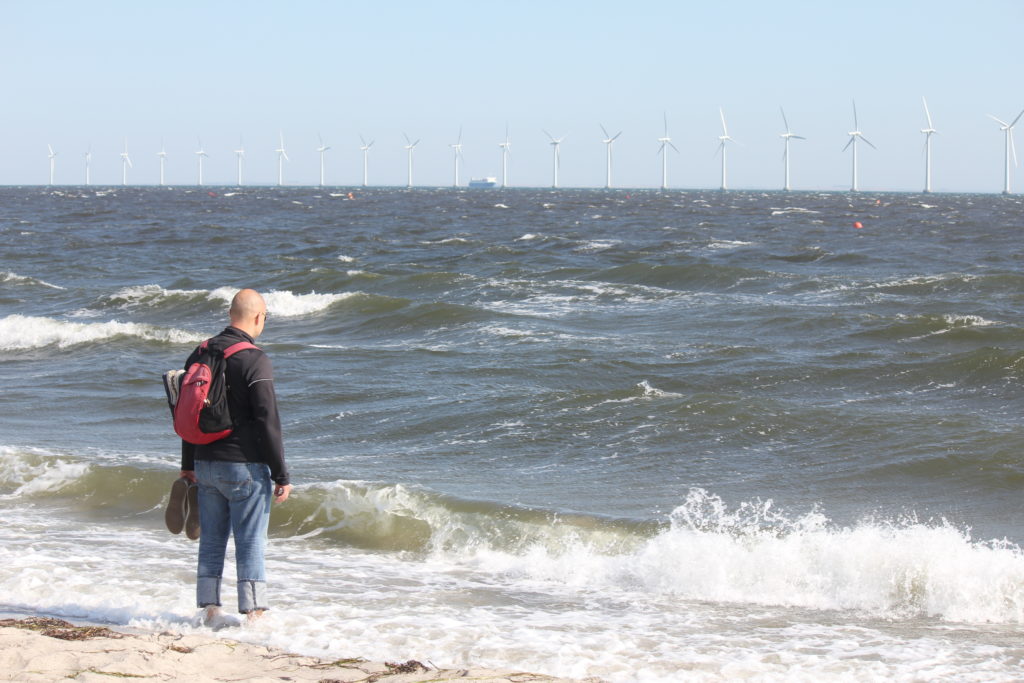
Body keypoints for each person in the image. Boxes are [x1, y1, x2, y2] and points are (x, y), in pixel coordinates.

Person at [179, 288, 292, 624]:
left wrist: (188, 464)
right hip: (244, 467)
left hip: (205, 463)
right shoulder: (254, 359)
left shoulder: (199, 354)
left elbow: (187, 413)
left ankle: (210, 610)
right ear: (258, 318)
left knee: (212, 538)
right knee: (251, 540)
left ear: (230, 315)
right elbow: (267, 419)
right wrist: (281, 474)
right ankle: (254, 614)